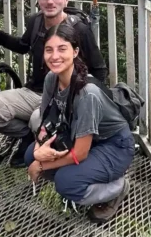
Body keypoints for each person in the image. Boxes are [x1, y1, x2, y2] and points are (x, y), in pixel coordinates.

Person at [0, 0, 107, 167]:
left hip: (66, 99)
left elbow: (99, 70)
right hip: (33, 92)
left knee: (38, 119)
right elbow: (22, 46)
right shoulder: (36, 21)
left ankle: (42, 148)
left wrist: (83, 101)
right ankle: (27, 137)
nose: (50, 1)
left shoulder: (79, 30)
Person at [26, 23, 134, 224]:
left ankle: (118, 187)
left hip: (113, 146)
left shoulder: (87, 94)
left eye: (62, 49)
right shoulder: (52, 77)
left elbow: (80, 153)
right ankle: (86, 174)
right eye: (49, 50)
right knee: (28, 154)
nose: (55, 56)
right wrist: (39, 149)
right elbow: (45, 120)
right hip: (81, 136)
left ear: (75, 51)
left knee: (66, 183)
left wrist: (40, 163)